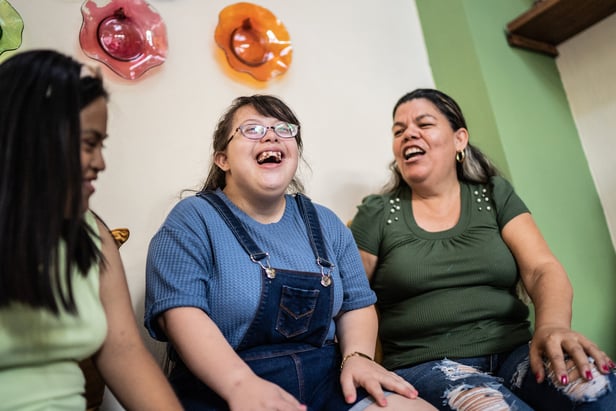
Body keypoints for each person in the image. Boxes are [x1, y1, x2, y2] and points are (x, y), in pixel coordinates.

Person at [144, 94, 436, 411]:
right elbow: (179, 315)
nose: (271, 136)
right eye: (252, 129)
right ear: (222, 159)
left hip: (328, 382)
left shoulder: (326, 222)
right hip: (225, 386)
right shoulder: (192, 218)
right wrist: (239, 384)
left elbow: (357, 304)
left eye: (284, 129)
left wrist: (358, 357)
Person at [350, 88, 616, 410]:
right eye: (399, 130)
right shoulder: (377, 213)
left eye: (424, 124)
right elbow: (351, 296)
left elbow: (540, 268)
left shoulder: (493, 194)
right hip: (426, 365)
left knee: (599, 388)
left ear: (459, 139)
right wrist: (356, 358)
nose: (409, 135)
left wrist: (553, 326)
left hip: (515, 351)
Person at [0, 49, 182, 410]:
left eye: (101, 145)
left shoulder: (91, 235)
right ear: (33, 136)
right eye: (88, 144)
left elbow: (125, 353)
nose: (100, 163)